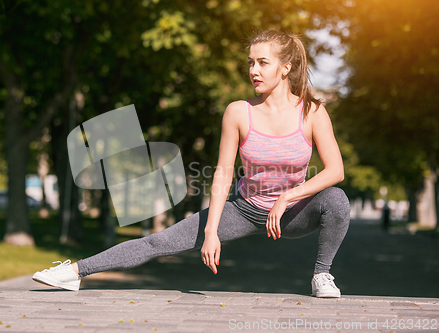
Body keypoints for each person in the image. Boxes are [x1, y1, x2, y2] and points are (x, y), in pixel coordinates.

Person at [33, 30, 350, 298]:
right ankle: (74, 271)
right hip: (245, 209)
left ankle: (322, 274)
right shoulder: (238, 112)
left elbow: (335, 171)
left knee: (336, 201)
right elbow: (223, 174)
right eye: (250, 62)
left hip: (292, 214)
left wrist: (287, 197)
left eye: (262, 63)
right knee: (161, 241)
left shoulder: (312, 112)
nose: (253, 70)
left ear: (285, 67)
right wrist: (210, 231)